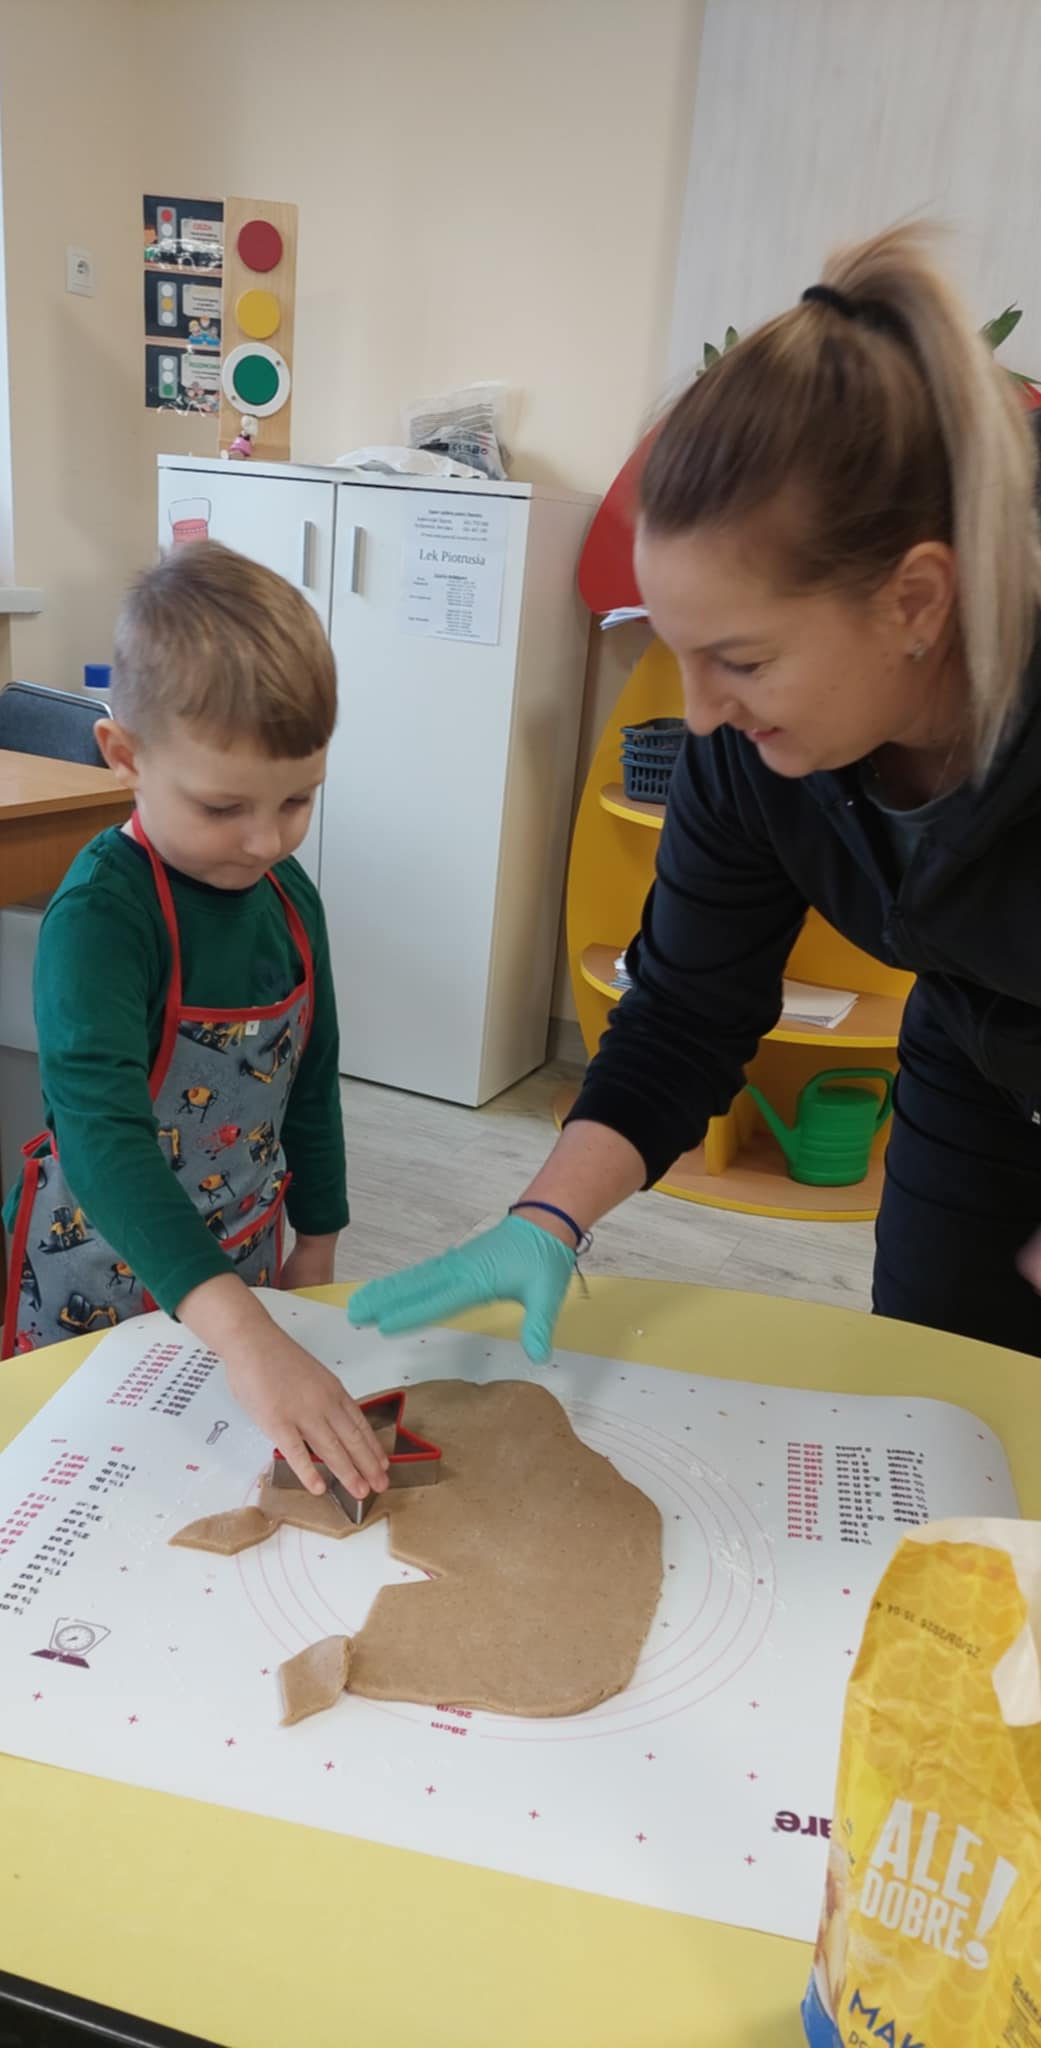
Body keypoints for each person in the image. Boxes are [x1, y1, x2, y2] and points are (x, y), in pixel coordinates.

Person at [350, 224, 1041, 1363]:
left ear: (917, 601)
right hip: (976, 1069)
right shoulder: (746, 752)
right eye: (680, 652)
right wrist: (545, 1218)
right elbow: (683, 1012)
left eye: (744, 659)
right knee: (944, 1384)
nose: (704, 712)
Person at [4, 540, 388, 1506]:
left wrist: (319, 1236)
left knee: (207, 1489)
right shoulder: (102, 917)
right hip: (97, 1272)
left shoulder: (290, 900)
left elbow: (312, 1078)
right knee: (99, 1493)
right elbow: (101, 1139)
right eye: (223, 807)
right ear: (124, 755)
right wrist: (246, 1335)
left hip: (242, 1248)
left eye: (297, 799)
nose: (265, 841)